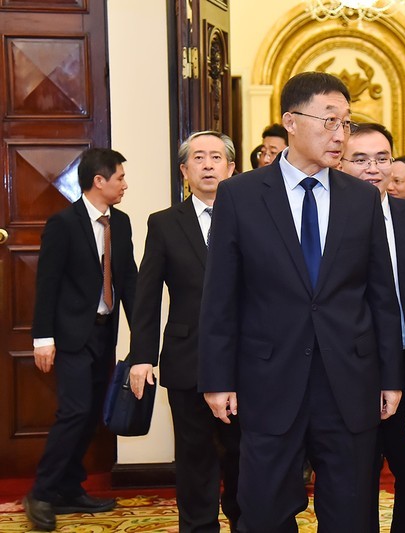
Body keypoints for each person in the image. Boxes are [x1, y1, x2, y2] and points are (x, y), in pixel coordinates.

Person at [198, 71, 403, 533]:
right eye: (329, 121)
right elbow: (221, 295)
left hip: (348, 379)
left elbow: (381, 296)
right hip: (268, 378)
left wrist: (391, 376)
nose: (340, 135)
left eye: (346, 123)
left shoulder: (361, 199)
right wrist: (217, 378)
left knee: (351, 511)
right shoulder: (241, 195)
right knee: (265, 510)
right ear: (290, 121)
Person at [128, 131, 240, 533]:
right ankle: (198, 527)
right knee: (194, 455)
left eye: (216, 158)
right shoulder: (163, 223)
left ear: (231, 168)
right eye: (198, 158)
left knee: (243, 453)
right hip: (186, 356)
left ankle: (244, 522)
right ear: (184, 170)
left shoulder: (254, 218)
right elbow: (146, 294)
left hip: (246, 358)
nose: (207, 164)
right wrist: (142, 356)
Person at [25, 148, 138, 532]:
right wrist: (43, 338)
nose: (125, 184)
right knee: (74, 411)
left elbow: (130, 283)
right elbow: (47, 284)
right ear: (99, 181)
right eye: (120, 178)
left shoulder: (120, 223)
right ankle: (41, 492)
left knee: (90, 415)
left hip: (104, 334)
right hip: (71, 335)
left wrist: (143, 336)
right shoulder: (63, 224)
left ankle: (70, 489)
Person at [340, 123, 405, 533]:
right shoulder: (325, 221)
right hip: (350, 368)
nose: (373, 169)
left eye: (382, 159)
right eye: (360, 159)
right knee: (353, 480)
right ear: (339, 162)